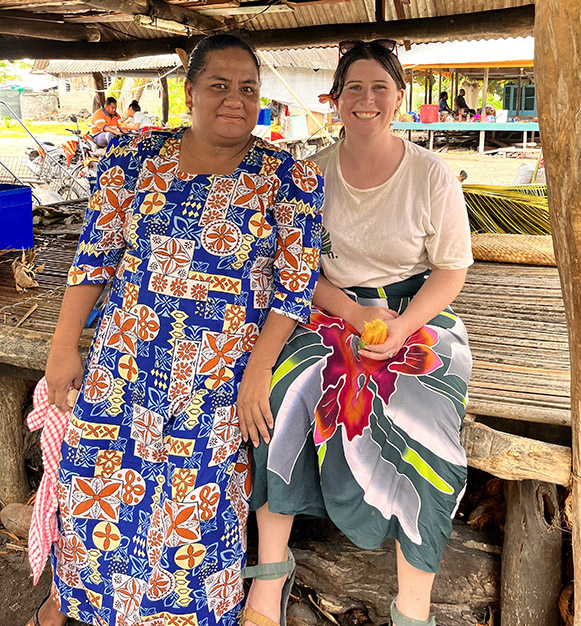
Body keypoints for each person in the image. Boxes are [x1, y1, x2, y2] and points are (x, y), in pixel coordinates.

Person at [27, 33, 323, 626]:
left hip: (217, 374)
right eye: (219, 85)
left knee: (197, 507)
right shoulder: (131, 162)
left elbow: (295, 289)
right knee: (96, 492)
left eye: (248, 88)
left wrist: (258, 370)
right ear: (190, 92)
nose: (235, 99)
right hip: (124, 362)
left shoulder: (288, 179)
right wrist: (63, 348)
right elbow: (94, 259)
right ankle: (82, 606)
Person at [245, 39, 473, 626]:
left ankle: (413, 601)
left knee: (424, 410)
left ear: (398, 98)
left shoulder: (432, 175)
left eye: (380, 88)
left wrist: (402, 327)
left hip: (416, 314)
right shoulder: (310, 173)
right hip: (327, 308)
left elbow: (450, 271)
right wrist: (348, 313)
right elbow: (297, 270)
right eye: (354, 88)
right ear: (336, 98)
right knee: (283, 390)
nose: (366, 100)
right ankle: (268, 579)